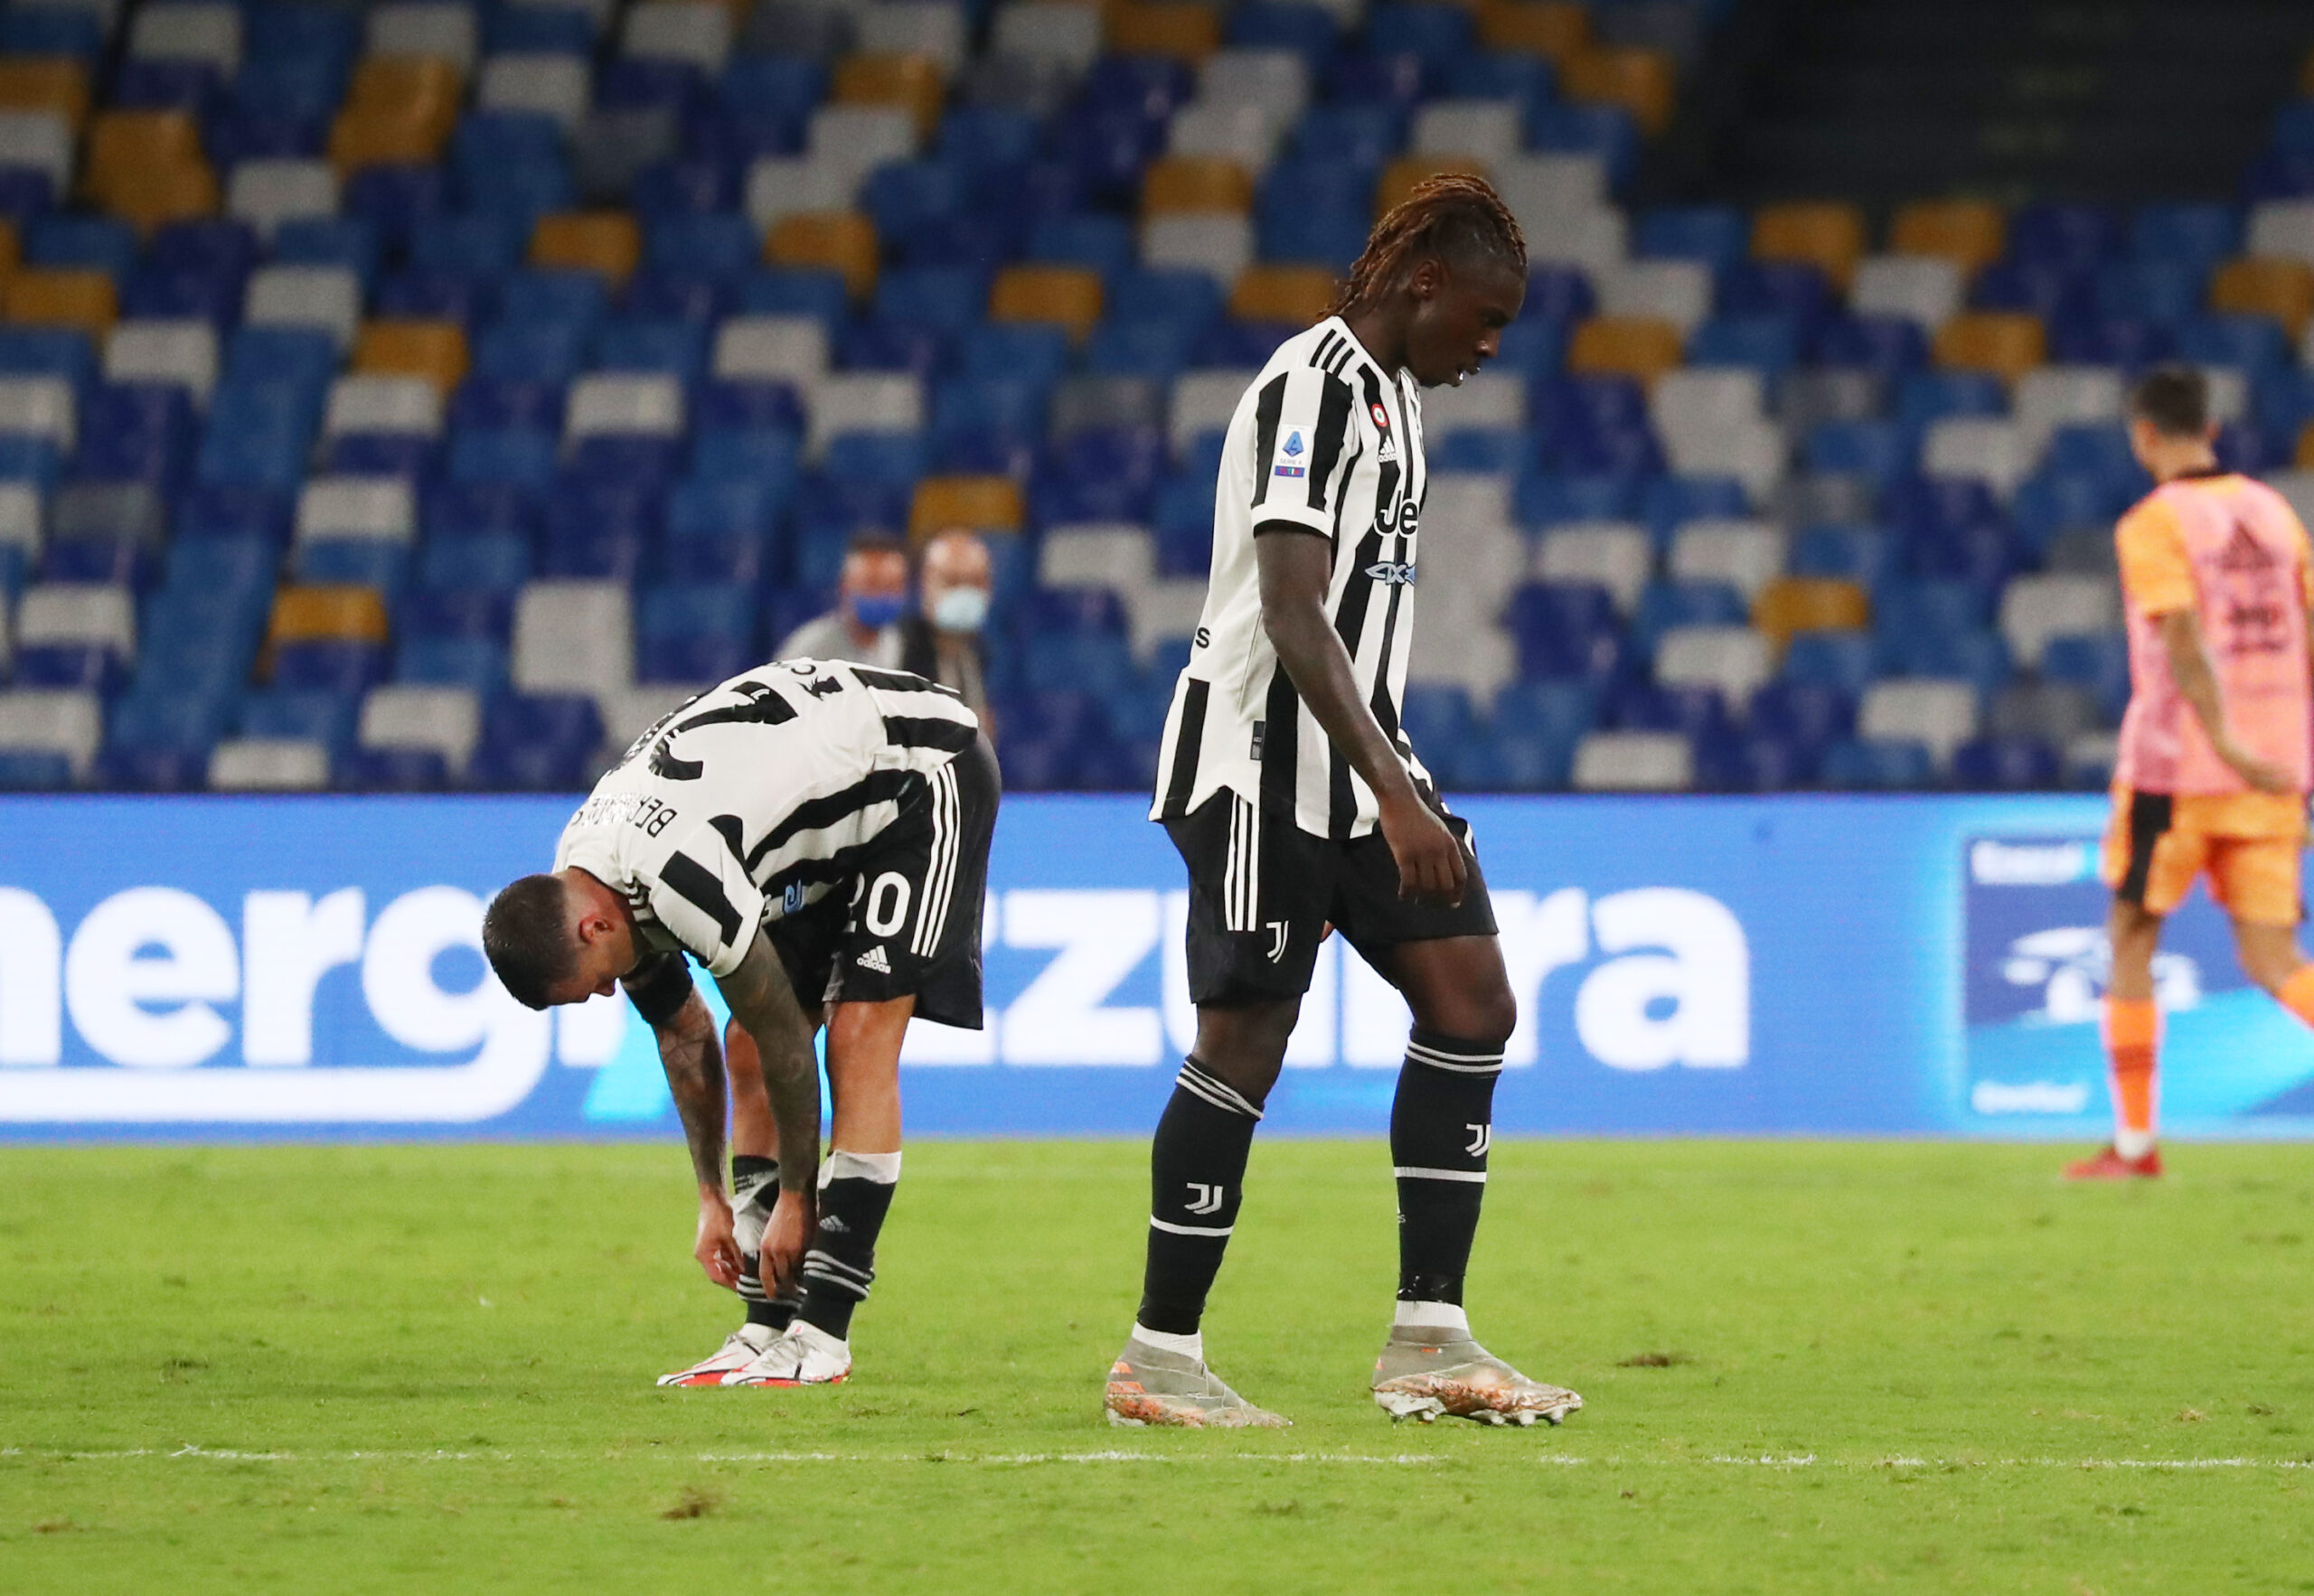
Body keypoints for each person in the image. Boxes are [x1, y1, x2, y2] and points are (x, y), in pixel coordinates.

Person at [1102, 174, 1581, 1429]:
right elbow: (1290, 608)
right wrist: (1394, 793)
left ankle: (1428, 1333)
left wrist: (1387, 784)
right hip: (1259, 760)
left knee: (1472, 1001)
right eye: (1484, 317)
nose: (1490, 345)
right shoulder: (1311, 387)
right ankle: (1157, 1356)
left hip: (1360, 762)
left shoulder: (1396, 398)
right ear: (1423, 281)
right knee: (1245, 1040)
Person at [481, 657, 1000, 1385]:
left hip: (919, 771)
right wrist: (711, 1197)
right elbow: (682, 1032)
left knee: (856, 1038)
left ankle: (823, 1335)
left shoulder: (676, 876)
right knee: (744, 1044)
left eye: (593, 985)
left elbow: (790, 1039)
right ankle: (766, 1327)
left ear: (594, 929)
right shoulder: (584, 869)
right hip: (825, 803)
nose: (605, 995)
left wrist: (796, 1197)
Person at [2069, 364, 2314, 1179]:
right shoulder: (2274, 513)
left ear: (2143, 435)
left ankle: (2135, 1146)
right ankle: (2134, 1148)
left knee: (2132, 938)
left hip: (2177, 772)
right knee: (2275, 961)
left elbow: (2181, 638)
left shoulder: (2153, 524)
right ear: (2210, 429)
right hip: (2277, 769)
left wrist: (2226, 742)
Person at [901, 527, 996, 726]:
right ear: (925, 584)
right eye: (952, 581)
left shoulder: (980, 654)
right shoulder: (899, 649)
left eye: (975, 582)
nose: (964, 592)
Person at [778, 533, 911, 668]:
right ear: (844, 587)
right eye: (872, 584)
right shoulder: (810, 648)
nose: (881, 595)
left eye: (890, 586)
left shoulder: (900, 645)